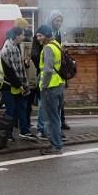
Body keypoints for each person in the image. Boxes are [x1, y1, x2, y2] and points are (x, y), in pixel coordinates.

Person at [36, 24, 65, 155]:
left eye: (40, 35)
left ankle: (56, 146)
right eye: (37, 36)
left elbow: (47, 70)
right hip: (59, 85)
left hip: (50, 88)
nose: (38, 38)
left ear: (47, 35)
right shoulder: (57, 45)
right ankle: (57, 143)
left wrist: (43, 85)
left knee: (51, 119)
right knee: (56, 117)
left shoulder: (47, 48)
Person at [1, 27, 33, 141]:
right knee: (11, 110)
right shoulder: (6, 49)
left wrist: (26, 64)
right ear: (16, 35)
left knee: (22, 107)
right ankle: (8, 134)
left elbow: (18, 66)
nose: (23, 37)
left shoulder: (16, 46)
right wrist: (19, 84)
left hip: (19, 83)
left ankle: (24, 131)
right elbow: (8, 71)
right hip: (8, 85)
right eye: (22, 35)